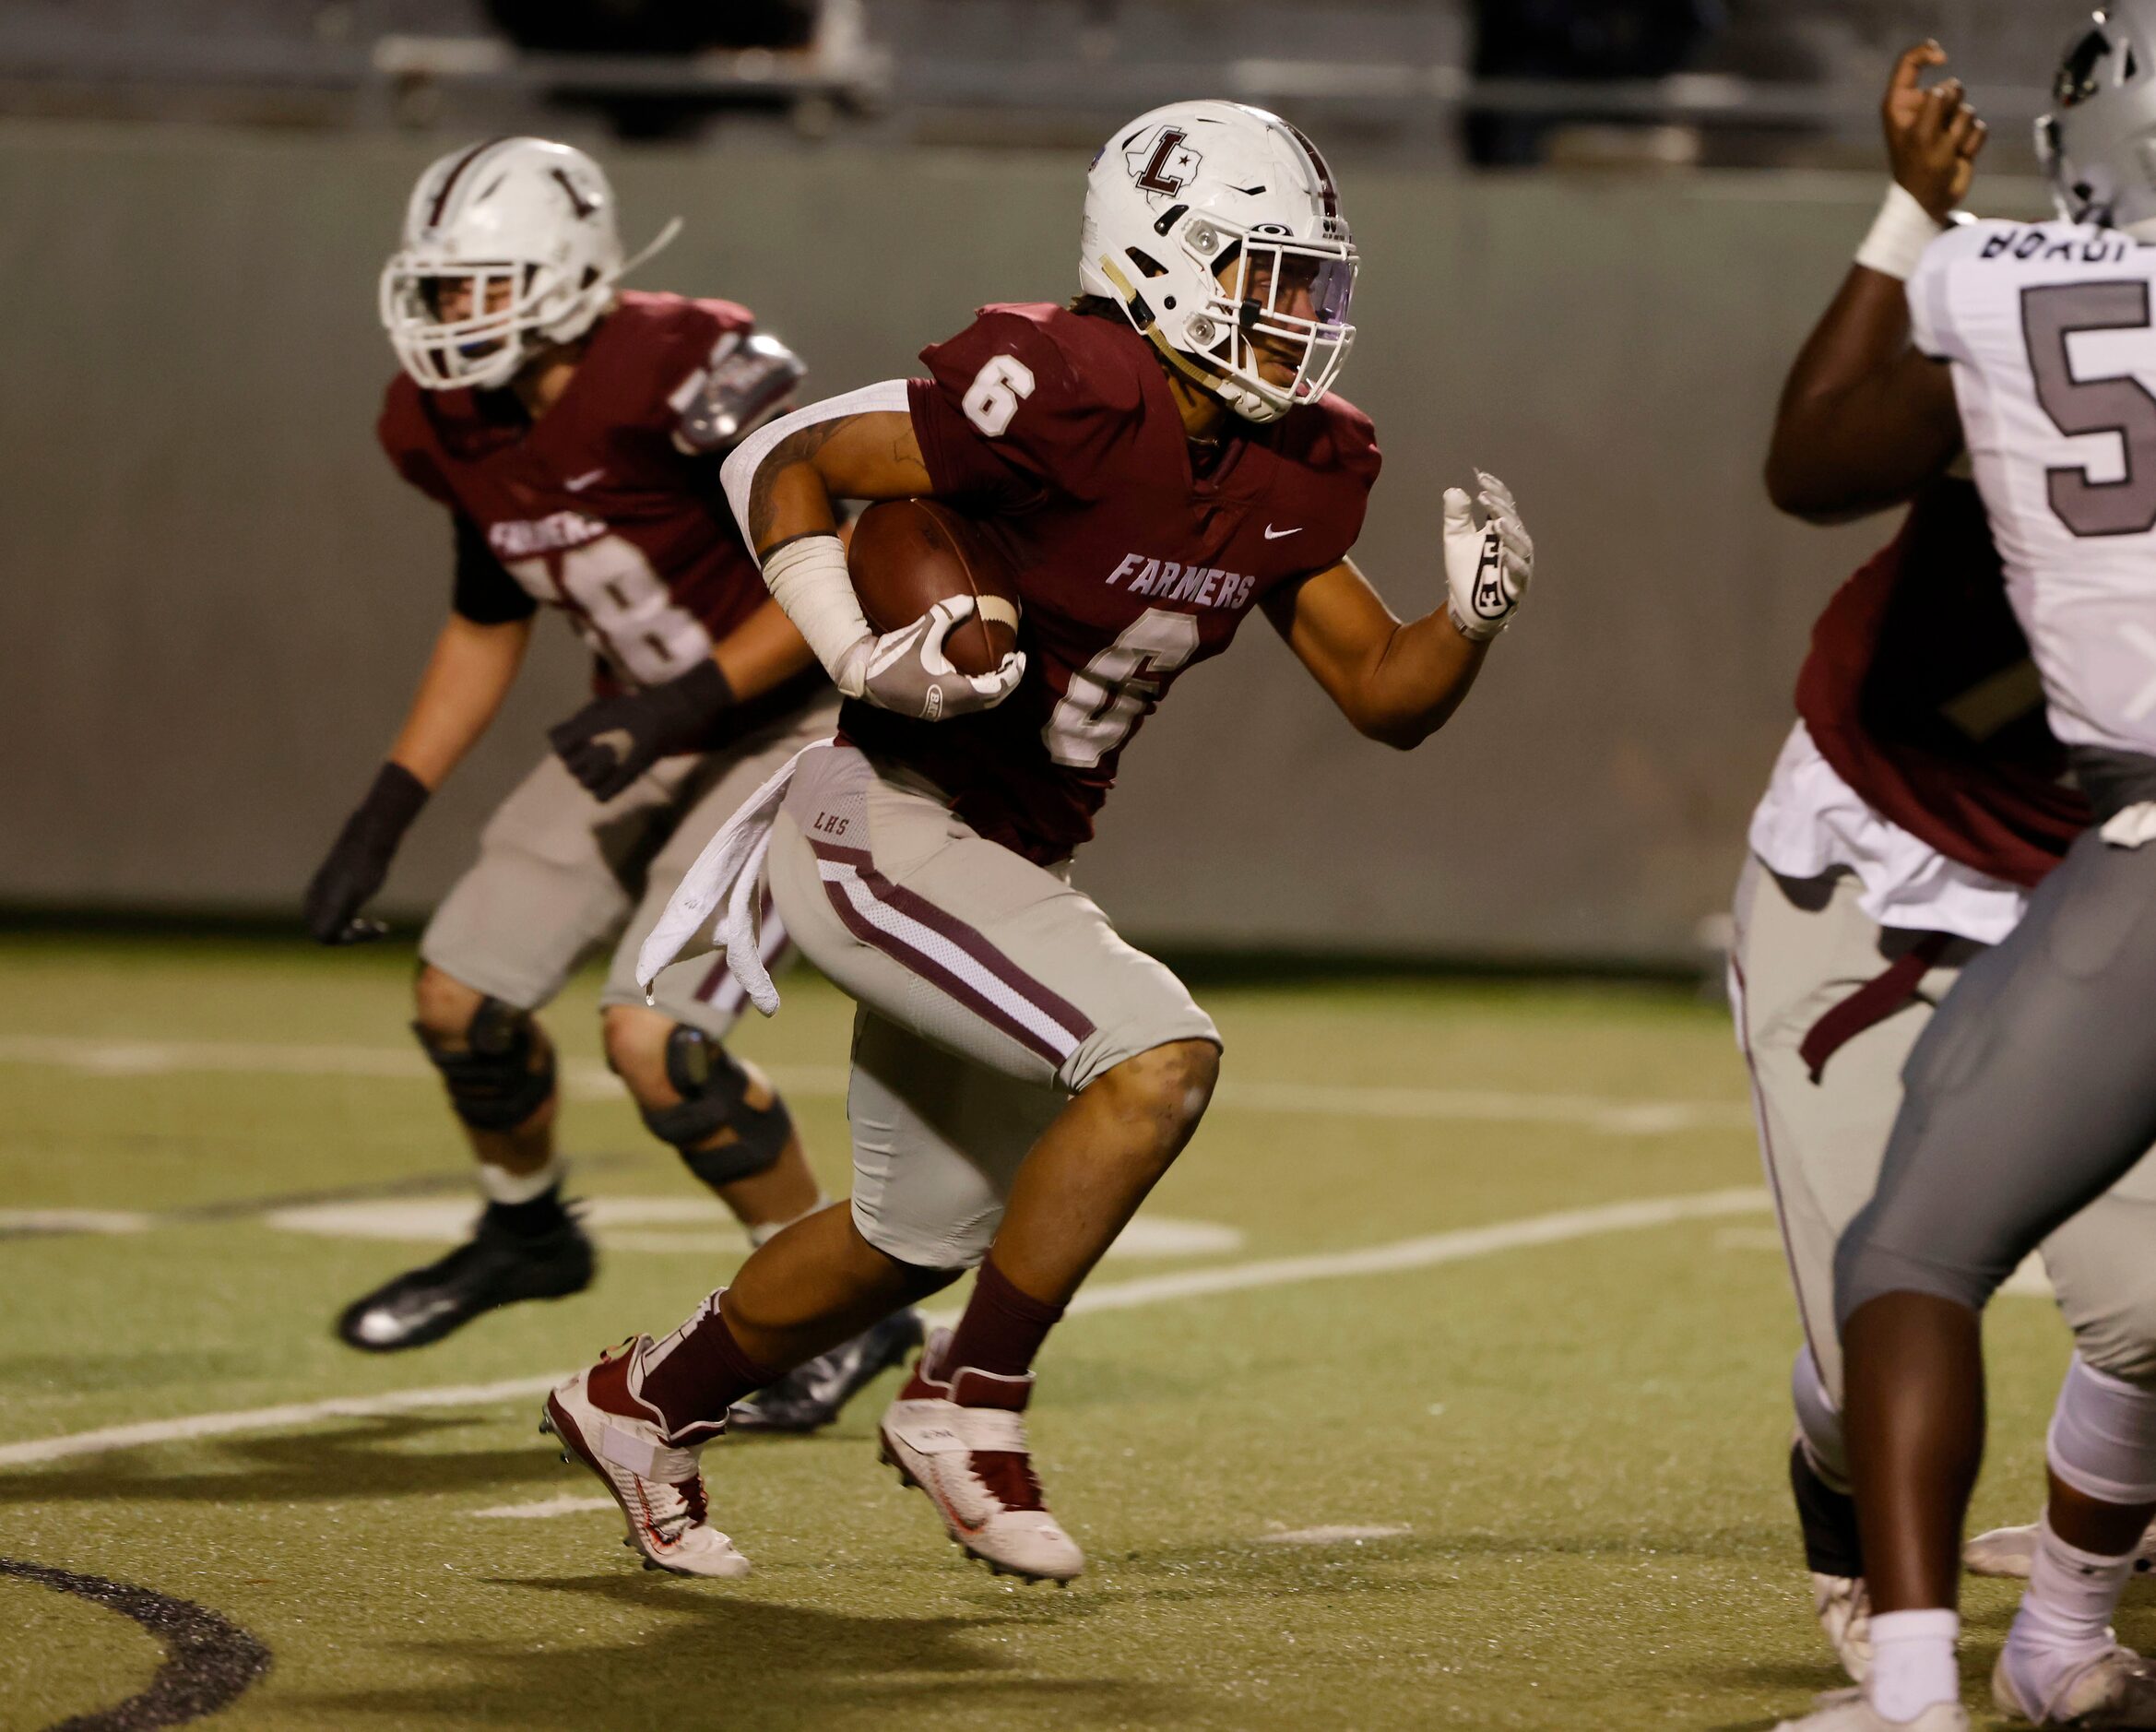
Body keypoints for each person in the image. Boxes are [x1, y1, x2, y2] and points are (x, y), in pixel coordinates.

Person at [538, 100, 1536, 1584]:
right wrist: (856, 654)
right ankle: (966, 1400)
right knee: (1156, 1061)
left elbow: (1384, 696)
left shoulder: (1297, 463)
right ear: (1159, 261)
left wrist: (1465, 620)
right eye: (1267, 275)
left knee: (908, 1232)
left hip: (1002, 855)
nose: (1300, 317)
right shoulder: (1065, 380)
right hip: (875, 820)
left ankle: (638, 1401)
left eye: (1312, 282)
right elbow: (781, 457)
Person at [305, 136, 918, 1431]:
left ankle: (842, 1304)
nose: (447, 317)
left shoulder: (689, 367)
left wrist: (680, 703)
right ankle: (527, 1230)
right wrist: (388, 803)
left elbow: (840, 559)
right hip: (635, 726)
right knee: (457, 998)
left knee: (657, 1040)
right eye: (438, 289)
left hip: (793, 722)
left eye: (476, 286)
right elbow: (486, 612)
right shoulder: (441, 419)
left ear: (570, 274)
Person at [1760, 17, 2156, 1728]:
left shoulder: (2020, 289)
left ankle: (2049, 1632)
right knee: (1881, 1316)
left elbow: (1810, 458)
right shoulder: (2025, 316)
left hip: (2106, 861)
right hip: (1897, 846)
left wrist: (1916, 220)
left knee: (2138, 1313)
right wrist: (1906, 227)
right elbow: (1827, 464)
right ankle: (1866, 1528)